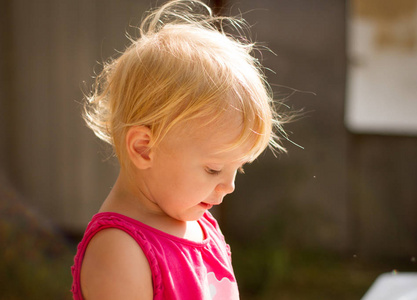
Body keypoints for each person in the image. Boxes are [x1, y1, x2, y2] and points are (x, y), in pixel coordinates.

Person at [71, 0, 288, 299]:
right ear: (145, 149)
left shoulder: (199, 223)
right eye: (213, 169)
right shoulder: (120, 250)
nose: (230, 186)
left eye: (238, 168)